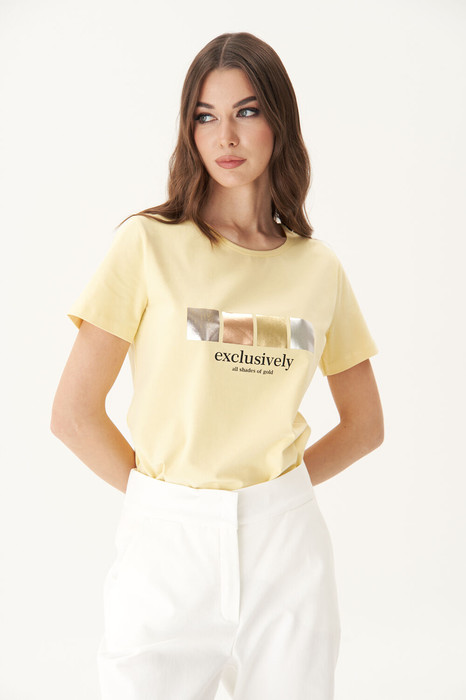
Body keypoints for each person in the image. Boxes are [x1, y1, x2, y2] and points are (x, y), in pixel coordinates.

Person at [51, 31, 384, 700]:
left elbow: (365, 425)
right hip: (166, 547)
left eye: (247, 111)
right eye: (206, 116)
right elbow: (73, 415)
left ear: (279, 122)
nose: (225, 136)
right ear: (189, 130)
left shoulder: (319, 269)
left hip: (285, 550)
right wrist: (163, 504)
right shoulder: (147, 245)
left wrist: (276, 496)